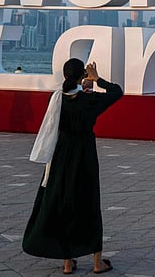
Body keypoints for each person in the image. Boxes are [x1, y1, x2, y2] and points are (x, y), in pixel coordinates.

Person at [22, 59, 122, 274]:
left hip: (61, 154)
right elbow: (116, 92)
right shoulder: (89, 100)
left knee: (65, 203)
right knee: (89, 203)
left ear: (65, 75)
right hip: (84, 153)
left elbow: (69, 94)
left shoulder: (57, 98)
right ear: (82, 76)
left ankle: (68, 262)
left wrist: (82, 86)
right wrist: (97, 79)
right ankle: (97, 262)